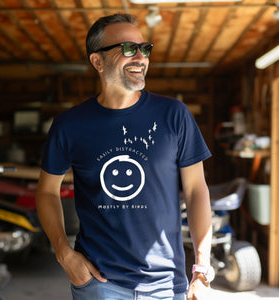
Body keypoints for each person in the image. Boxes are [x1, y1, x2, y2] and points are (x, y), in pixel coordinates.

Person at [36, 13, 213, 300]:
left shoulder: (173, 115)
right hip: (97, 282)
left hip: (167, 285)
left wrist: (202, 268)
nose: (141, 57)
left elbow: (196, 191)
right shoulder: (70, 125)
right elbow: (46, 192)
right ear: (97, 61)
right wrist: (64, 254)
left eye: (145, 49)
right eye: (129, 49)